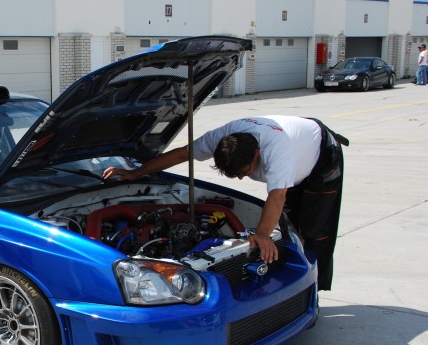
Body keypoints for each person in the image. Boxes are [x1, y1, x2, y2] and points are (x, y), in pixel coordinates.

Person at [103, 116, 348, 291]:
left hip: (322, 157)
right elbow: (182, 154)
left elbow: (277, 195)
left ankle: (314, 289)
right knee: (289, 226)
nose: (241, 178)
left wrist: (263, 234)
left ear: (257, 154)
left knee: (315, 230)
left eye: (244, 172)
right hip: (297, 149)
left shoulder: (277, 151)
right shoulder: (223, 137)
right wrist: (136, 172)